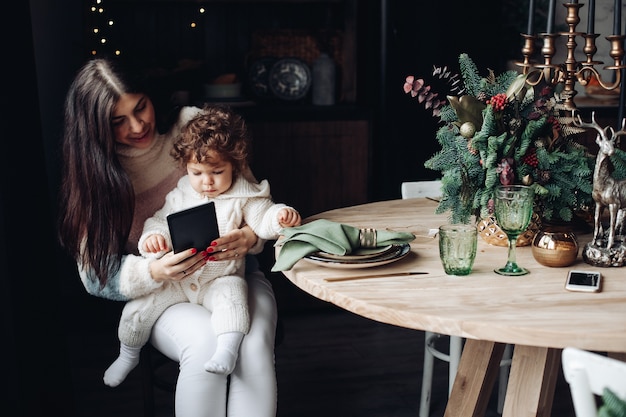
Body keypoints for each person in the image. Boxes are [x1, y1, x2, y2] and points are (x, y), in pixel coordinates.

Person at [57, 57, 279, 417]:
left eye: (140, 107)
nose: (138, 125)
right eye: (117, 121)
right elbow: (93, 275)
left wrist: (249, 236)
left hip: (232, 276)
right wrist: (154, 272)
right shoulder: (93, 176)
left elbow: (252, 199)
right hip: (163, 293)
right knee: (206, 344)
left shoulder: (193, 125)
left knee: (251, 345)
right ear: (94, 128)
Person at [104, 106, 300, 386]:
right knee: (139, 308)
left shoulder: (243, 193)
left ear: (234, 164)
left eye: (217, 172)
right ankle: (127, 354)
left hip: (220, 278)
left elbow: (261, 217)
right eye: (197, 173)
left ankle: (227, 350)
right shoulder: (181, 193)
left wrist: (280, 217)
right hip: (179, 280)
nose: (206, 182)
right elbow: (160, 222)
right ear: (186, 168)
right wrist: (153, 239)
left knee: (234, 300)